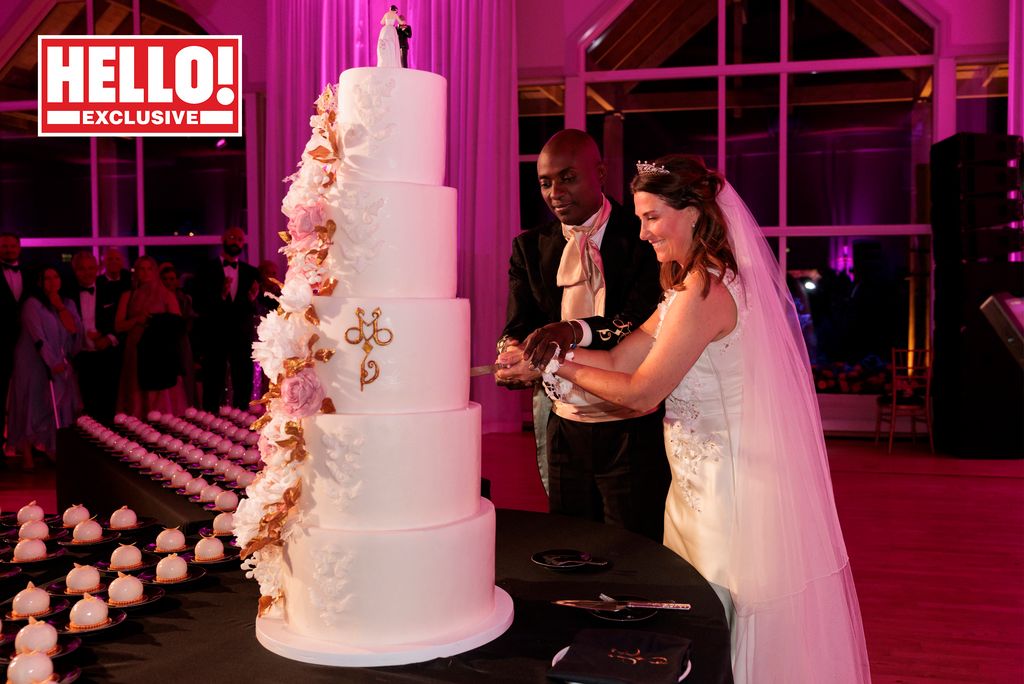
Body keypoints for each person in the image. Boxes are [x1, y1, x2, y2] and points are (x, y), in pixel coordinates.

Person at [517, 155, 871, 682]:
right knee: (701, 616)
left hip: (729, 493)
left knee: (723, 620)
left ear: (695, 213)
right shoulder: (687, 288)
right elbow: (620, 358)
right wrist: (546, 349)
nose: (642, 233)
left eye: (653, 217)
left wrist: (554, 365)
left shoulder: (705, 292)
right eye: (639, 218)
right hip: (693, 487)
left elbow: (641, 393)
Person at [495, 129, 668, 542]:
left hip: (631, 424)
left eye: (568, 178)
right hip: (564, 423)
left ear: (601, 174)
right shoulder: (530, 247)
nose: (555, 191)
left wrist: (573, 330)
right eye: (545, 182)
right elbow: (518, 325)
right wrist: (511, 354)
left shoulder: (644, 236)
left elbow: (637, 320)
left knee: (633, 545)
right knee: (570, 543)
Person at [7, 265, 82, 469]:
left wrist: (60, 307)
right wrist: (51, 360)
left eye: (55, 277)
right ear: (39, 281)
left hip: (59, 360)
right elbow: (37, 335)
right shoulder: (32, 304)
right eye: (46, 278)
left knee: (55, 404)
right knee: (31, 402)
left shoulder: (67, 303)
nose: (51, 282)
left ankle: (51, 448)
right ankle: (27, 452)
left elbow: (74, 330)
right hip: (31, 361)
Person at [190, 227, 260, 412]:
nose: (235, 241)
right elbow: (198, 304)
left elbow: (254, 307)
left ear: (243, 243)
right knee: (213, 377)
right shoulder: (206, 270)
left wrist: (252, 300)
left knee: (243, 377)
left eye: (239, 238)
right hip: (215, 333)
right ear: (222, 239)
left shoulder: (250, 272)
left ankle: (242, 417)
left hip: (241, 334)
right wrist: (220, 296)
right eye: (231, 237)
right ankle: (210, 419)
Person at [114, 256, 186, 418]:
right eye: (141, 269)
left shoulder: (166, 295)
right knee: (136, 389)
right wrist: (137, 320)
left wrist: (157, 322)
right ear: (136, 272)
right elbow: (118, 325)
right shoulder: (128, 295)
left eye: (149, 269)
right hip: (135, 349)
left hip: (159, 351)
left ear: (154, 271)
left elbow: (177, 323)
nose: (145, 273)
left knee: (160, 392)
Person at [67, 250, 121, 422]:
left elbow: (120, 323)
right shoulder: (66, 294)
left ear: (97, 269)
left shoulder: (111, 291)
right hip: (80, 357)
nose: (87, 272)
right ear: (74, 271)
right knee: (85, 402)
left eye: (91, 268)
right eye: (82, 269)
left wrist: (109, 338)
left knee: (108, 402)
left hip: (107, 355)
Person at [0, 232, 26, 459]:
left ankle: (25, 445)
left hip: (27, 345)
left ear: (19, 248)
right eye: (4, 246)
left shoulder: (31, 273)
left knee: (25, 394)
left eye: (11, 246)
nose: (8, 249)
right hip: (1, 345)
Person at [160, 262, 198, 407]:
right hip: (164, 342)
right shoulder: (158, 298)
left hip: (182, 340)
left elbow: (188, 323)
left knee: (186, 376)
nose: (169, 282)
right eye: (165, 279)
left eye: (172, 279)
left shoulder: (185, 299)